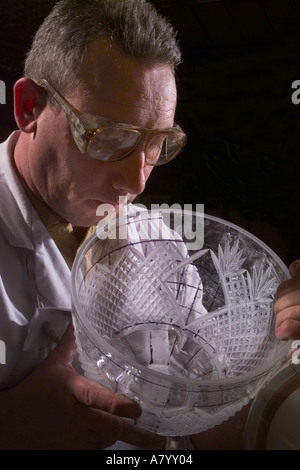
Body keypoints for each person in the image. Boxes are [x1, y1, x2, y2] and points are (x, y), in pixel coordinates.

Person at [0, 0, 299, 451]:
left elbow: (193, 424)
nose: (136, 181)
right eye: (111, 139)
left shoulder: (157, 242)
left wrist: (281, 356)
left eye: (157, 145)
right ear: (28, 108)